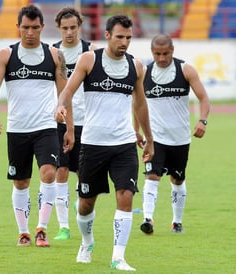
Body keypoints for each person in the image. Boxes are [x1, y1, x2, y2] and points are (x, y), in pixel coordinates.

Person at [55, 15, 154, 271]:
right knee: (86, 204)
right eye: (120, 36)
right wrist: (61, 106)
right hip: (93, 144)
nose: (124, 42)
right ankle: (87, 242)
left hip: (123, 145)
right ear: (107, 35)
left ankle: (118, 257)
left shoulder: (136, 66)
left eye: (129, 37)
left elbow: (140, 103)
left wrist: (149, 138)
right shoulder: (90, 60)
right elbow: (68, 90)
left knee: (126, 197)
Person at [0, 4, 69, 248]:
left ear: (42, 27)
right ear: (18, 27)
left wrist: (64, 113)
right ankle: (23, 232)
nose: (30, 32)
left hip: (46, 126)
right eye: (25, 28)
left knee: (49, 173)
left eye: (35, 28)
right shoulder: (6, 55)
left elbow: (64, 91)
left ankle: (42, 228)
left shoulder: (54, 55)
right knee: (21, 182)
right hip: (17, 128)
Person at [135, 34, 210, 235]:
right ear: (152, 52)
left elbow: (203, 98)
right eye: (157, 54)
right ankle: (147, 219)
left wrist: (203, 120)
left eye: (165, 53)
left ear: (173, 50)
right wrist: (137, 131)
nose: (161, 58)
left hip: (180, 138)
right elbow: (138, 104)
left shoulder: (185, 70)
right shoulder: (144, 73)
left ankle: (177, 222)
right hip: (155, 138)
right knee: (152, 176)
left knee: (177, 180)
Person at [51, 7, 97, 241]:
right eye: (65, 28)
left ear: (80, 27)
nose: (69, 32)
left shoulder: (91, 52)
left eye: (73, 28)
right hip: (60, 122)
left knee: (83, 175)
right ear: (58, 28)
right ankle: (63, 226)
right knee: (60, 172)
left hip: (87, 122)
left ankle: (83, 219)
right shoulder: (53, 53)